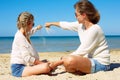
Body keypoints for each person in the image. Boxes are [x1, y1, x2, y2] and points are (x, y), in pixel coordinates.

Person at [45, 0, 110, 74]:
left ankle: (78, 69)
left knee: (69, 60)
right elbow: (66, 25)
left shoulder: (95, 29)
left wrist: (57, 63)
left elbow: (81, 51)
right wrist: (51, 23)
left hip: (101, 64)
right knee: (65, 59)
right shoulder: (80, 26)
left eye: (76, 14)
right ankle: (79, 69)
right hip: (89, 60)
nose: (75, 17)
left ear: (84, 15)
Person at [10, 12, 53, 77]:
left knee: (46, 62)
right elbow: (27, 58)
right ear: (27, 23)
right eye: (33, 24)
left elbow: (31, 31)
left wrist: (37, 28)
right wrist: (42, 63)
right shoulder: (20, 37)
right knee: (46, 67)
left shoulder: (25, 34)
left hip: (24, 65)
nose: (33, 25)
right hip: (18, 69)